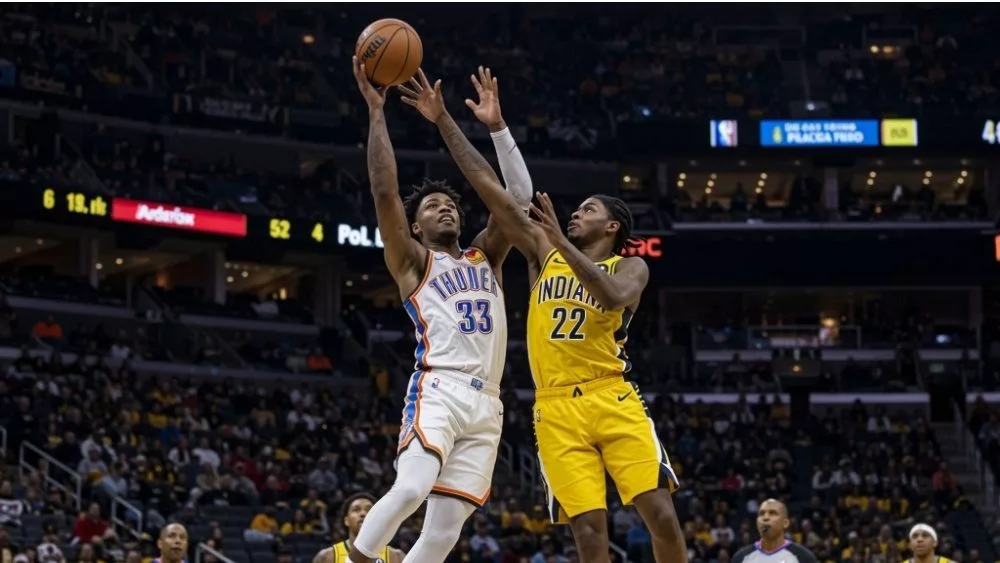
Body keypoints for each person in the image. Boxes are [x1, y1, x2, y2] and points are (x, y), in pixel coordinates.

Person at [398, 66, 684, 563]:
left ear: (612, 225)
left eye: (588, 210)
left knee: (659, 513)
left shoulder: (629, 265)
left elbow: (612, 297)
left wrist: (560, 243)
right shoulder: (540, 251)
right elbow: (485, 181)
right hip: (553, 407)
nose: (575, 214)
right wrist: (449, 120)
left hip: (611, 395)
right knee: (589, 533)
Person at [349, 56, 533, 563]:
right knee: (410, 490)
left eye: (449, 203)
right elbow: (384, 190)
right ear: (415, 227)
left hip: (488, 404)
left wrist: (494, 128)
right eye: (431, 207)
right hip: (440, 386)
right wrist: (376, 113)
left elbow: (517, 199)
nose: (445, 207)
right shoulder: (411, 260)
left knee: (444, 533)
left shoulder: (486, 254)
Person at [313, 493, 404, 563]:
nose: (363, 514)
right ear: (346, 520)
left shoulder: (395, 557)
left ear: (377, 518)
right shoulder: (327, 557)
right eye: (356, 510)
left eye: (369, 510)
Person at [732, 499, 817, 563]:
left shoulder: (803, 557)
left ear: (785, 523)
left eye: (772, 513)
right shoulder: (741, 557)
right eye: (761, 514)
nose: (765, 518)